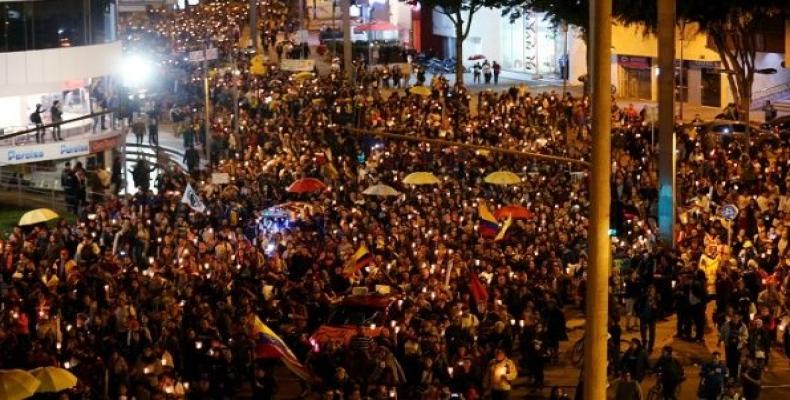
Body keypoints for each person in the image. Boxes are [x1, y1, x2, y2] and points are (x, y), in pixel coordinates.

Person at [719, 312, 748, 379]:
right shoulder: (726, 325)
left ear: (739, 318)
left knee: (736, 361)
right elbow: (722, 332)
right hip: (728, 345)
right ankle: (729, 375)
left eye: (736, 318)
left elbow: (746, 336)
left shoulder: (743, 326)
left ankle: (735, 376)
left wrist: (739, 338)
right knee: (729, 360)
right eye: (734, 317)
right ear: (731, 318)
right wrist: (720, 340)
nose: (735, 319)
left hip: (738, 346)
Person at [636, 284, 660, 353]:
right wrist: (639, 313)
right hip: (643, 317)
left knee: (652, 333)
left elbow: (660, 308)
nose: (651, 292)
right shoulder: (643, 297)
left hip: (652, 318)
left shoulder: (656, 298)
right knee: (643, 332)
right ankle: (644, 344)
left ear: (654, 291)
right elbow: (636, 305)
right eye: (650, 290)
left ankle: (650, 347)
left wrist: (656, 308)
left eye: (652, 291)